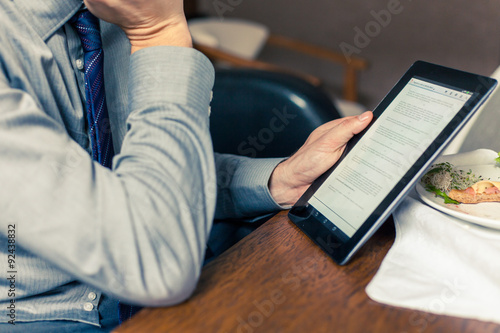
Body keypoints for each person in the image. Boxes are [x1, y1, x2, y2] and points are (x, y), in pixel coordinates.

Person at [0, 0, 373, 331]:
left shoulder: (113, 13)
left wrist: (278, 180)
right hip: (40, 314)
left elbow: (137, 179)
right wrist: (159, 34)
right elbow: (155, 262)